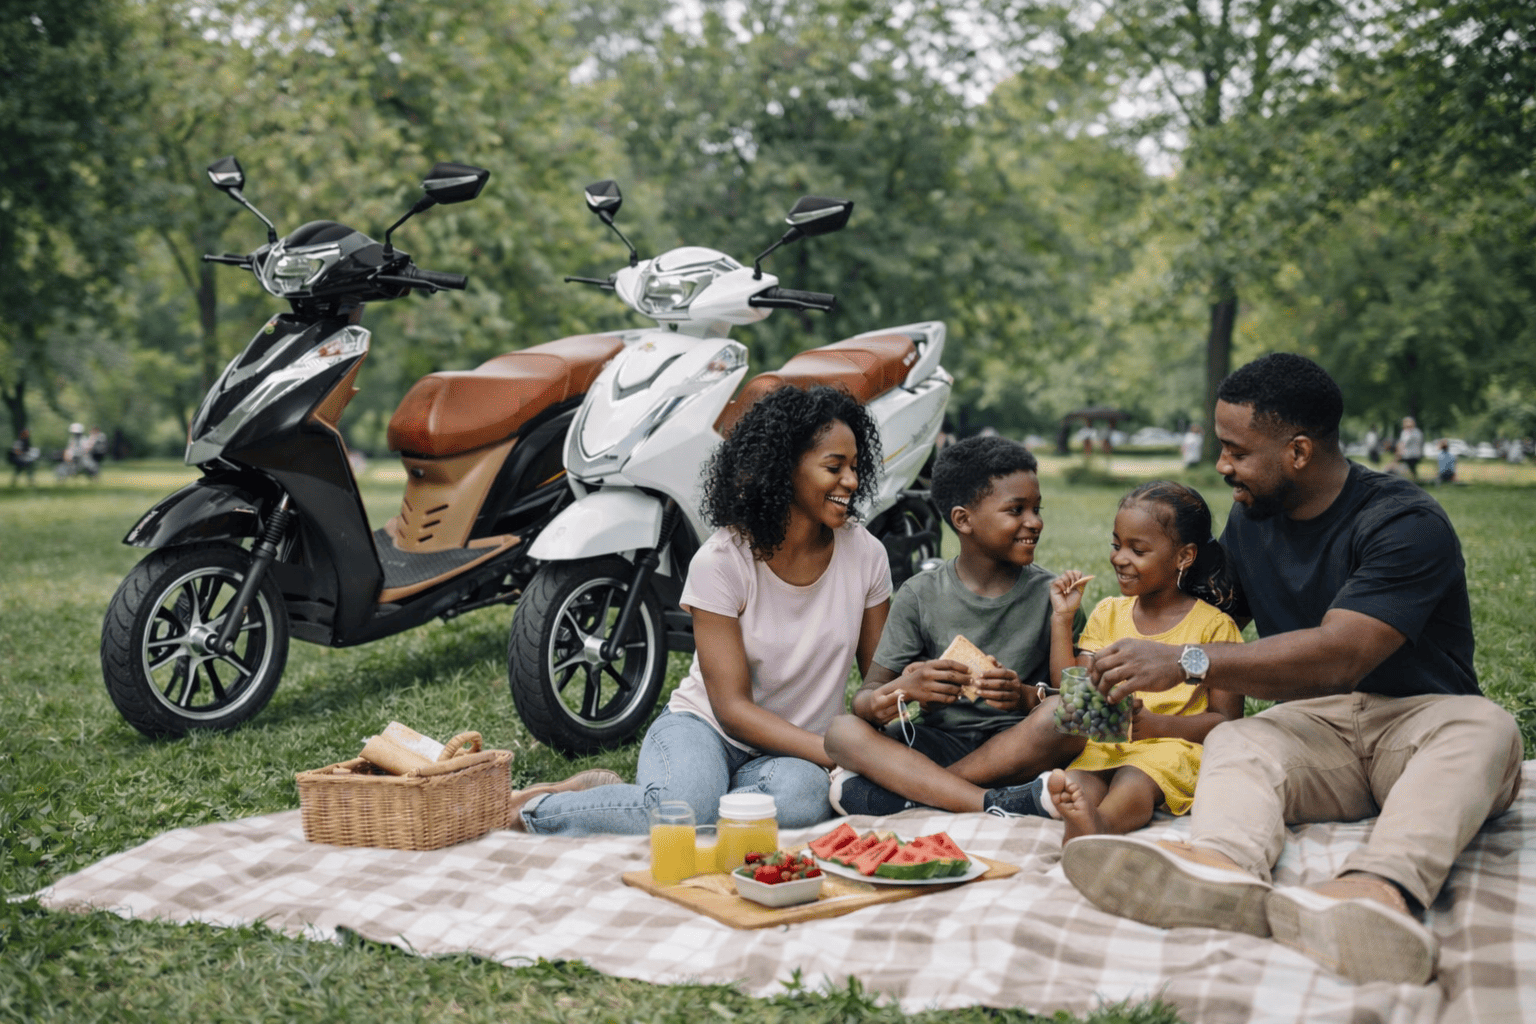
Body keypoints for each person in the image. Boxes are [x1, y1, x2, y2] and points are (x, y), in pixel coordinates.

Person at [1060, 353, 1523, 986]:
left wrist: (1183, 663)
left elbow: (1343, 652)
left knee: (1488, 727)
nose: (1222, 467)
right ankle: (1219, 871)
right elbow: (1203, 616)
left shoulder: (1404, 523)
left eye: (1236, 451)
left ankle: (1373, 891)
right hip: (1316, 736)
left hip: (1422, 724)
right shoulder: (1252, 519)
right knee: (1238, 736)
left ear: (1298, 452)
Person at [512, 384, 892, 834]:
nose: (851, 480)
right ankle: (534, 807)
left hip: (791, 754)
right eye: (834, 466)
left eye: (854, 466)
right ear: (783, 468)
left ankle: (675, 798)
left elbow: (878, 680)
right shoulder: (723, 559)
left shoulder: (866, 555)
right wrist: (836, 752)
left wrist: (908, 694)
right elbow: (731, 708)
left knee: (804, 799)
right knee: (686, 812)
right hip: (705, 729)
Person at [821, 435, 1085, 817]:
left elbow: (1079, 703)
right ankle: (989, 801)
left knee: (1067, 715)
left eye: (1036, 508)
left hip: (1019, 747)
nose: (1035, 522)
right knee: (841, 733)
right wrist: (906, 689)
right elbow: (866, 702)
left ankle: (924, 793)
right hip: (938, 741)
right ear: (963, 519)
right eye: (1016, 510)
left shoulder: (1056, 595)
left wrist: (1025, 695)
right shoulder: (920, 594)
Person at [1045, 481, 1245, 845]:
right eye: (1116, 545)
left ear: (1184, 556)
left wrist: (1157, 725)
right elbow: (1071, 691)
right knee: (1081, 778)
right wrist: (1062, 619)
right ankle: (1080, 815)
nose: (1120, 558)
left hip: (1172, 745)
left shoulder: (1215, 627)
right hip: (1107, 744)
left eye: (1137, 550)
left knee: (1136, 777)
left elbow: (1226, 721)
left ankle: (1101, 826)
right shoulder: (1108, 614)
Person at [1396, 415, 1424, 480]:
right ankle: (1412, 477)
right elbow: (1402, 443)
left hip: (1413, 454)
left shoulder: (1416, 432)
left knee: (1408, 467)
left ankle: (1413, 477)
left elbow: (1407, 442)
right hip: (1406, 454)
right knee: (1404, 466)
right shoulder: (1404, 432)